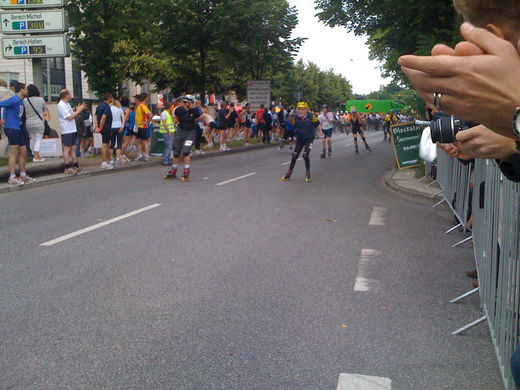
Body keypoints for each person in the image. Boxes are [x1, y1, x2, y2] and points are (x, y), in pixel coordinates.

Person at [0, 82, 35, 185]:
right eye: (26, 89)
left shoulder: (20, 101)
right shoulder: (14, 99)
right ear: (21, 90)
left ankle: (23, 174)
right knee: (14, 153)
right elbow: (2, 104)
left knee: (23, 152)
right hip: (11, 128)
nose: (27, 91)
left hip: (18, 127)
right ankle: (12, 176)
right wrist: (1, 119)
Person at [164, 95, 203, 182]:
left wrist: (196, 120)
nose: (193, 104)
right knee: (176, 150)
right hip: (181, 131)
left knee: (186, 150)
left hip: (190, 132)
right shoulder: (179, 110)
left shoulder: (195, 110)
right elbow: (176, 118)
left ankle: (186, 170)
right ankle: (174, 170)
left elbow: (201, 117)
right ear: (186, 103)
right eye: (191, 102)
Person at [281, 101, 319, 183]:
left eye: (303, 109)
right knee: (294, 155)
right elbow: (293, 125)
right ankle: (289, 173)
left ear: (307, 110)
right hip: (300, 139)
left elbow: (317, 124)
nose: (301, 111)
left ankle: (307, 172)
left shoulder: (312, 117)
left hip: (309, 139)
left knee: (305, 155)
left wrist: (313, 132)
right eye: (299, 109)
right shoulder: (295, 117)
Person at [57, 89, 86, 174]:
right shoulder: (61, 105)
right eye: (69, 94)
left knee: (73, 148)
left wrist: (76, 110)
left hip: (72, 128)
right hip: (67, 129)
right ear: (66, 95)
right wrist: (78, 111)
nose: (70, 95)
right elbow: (69, 117)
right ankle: (66, 167)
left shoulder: (67, 104)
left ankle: (75, 165)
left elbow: (72, 114)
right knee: (67, 148)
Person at [23, 84, 50, 162]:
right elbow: (44, 109)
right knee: (38, 139)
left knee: (32, 139)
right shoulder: (41, 100)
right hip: (38, 122)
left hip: (28, 122)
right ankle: (36, 156)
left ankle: (33, 154)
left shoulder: (25, 100)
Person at [94, 94, 114, 169]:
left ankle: (109, 160)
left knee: (107, 144)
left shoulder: (99, 106)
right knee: (105, 145)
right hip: (106, 127)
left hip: (102, 128)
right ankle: (104, 162)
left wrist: (97, 126)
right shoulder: (107, 106)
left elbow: (95, 116)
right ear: (109, 98)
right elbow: (104, 116)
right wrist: (101, 127)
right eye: (111, 97)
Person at [134, 93, 152, 161]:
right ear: (146, 98)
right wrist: (148, 121)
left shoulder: (141, 106)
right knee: (140, 140)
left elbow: (150, 114)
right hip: (140, 125)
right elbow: (150, 114)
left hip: (142, 126)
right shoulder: (142, 106)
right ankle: (141, 154)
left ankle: (146, 155)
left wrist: (147, 121)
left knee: (143, 141)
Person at [110, 99, 126, 166]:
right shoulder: (119, 109)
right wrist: (122, 126)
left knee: (112, 143)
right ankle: (118, 158)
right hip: (119, 126)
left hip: (111, 127)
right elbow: (123, 118)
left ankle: (110, 159)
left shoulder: (110, 109)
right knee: (119, 143)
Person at [160, 101, 175, 165]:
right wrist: (169, 132)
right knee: (169, 146)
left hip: (169, 131)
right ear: (169, 107)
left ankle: (168, 160)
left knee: (169, 146)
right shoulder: (164, 113)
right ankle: (165, 160)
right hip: (167, 132)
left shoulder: (167, 113)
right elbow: (164, 123)